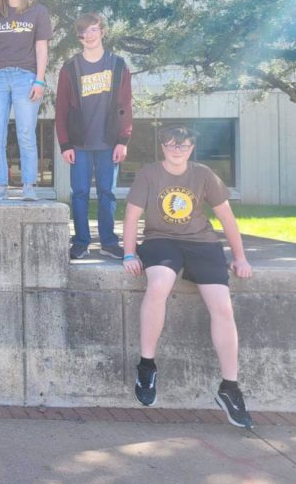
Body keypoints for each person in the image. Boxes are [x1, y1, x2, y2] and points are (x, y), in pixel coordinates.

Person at [122, 125, 253, 428]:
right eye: (170, 144)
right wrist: (130, 253)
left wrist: (240, 257)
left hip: (202, 243)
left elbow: (225, 217)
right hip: (160, 241)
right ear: (163, 147)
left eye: (182, 145)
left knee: (222, 306)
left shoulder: (204, 174)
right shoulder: (149, 173)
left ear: (192, 148)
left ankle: (229, 388)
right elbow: (131, 216)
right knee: (158, 285)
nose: (176, 149)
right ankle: (146, 366)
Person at [55, 13, 132, 260]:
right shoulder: (70, 67)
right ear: (79, 37)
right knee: (79, 193)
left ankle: (109, 241)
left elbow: (126, 106)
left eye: (94, 30)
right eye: (84, 32)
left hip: (109, 142)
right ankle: (80, 241)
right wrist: (65, 143)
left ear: (102, 32)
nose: (89, 36)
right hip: (80, 143)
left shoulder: (117, 64)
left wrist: (123, 139)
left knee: (107, 193)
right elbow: (61, 108)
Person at [0, 0, 52, 201]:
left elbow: (42, 49)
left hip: (25, 77)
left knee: (25, 133)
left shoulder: (38, 11)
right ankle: (0, 185)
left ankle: (29, 186)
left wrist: (39, 81)